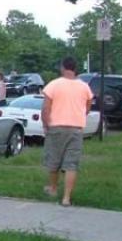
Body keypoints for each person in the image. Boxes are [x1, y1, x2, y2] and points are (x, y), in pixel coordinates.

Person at [41, 57, 93, 206]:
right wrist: (79, 115)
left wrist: (45, 124)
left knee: (53, 160)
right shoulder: (84, 87)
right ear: (75, 68)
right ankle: (66, 198)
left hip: (56, 126)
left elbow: (46, 108)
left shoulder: (54, 85)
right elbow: (88, 106)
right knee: (71, 163)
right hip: (76, 128)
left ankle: (53, 188)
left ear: (63, 68)